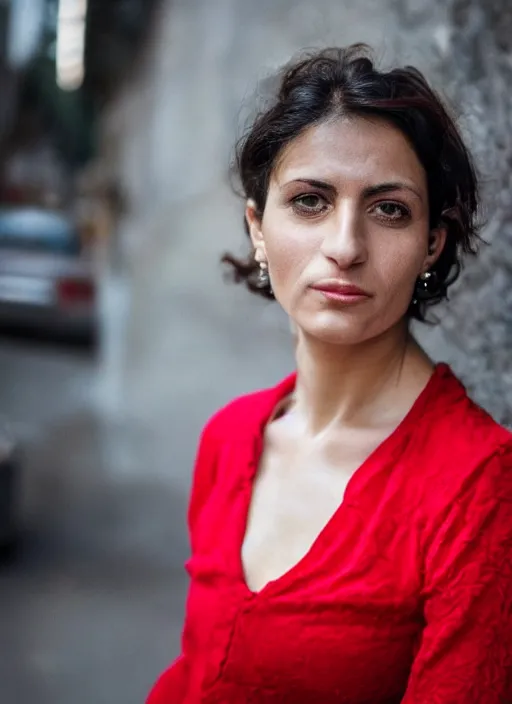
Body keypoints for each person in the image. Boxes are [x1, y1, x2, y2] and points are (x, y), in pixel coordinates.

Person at [147, 45, 512, 703]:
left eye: (389, 209)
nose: (345, 246)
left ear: (433, 240)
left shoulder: (479, 487)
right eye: (311, 201)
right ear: (258, 227)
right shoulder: (228, 439)